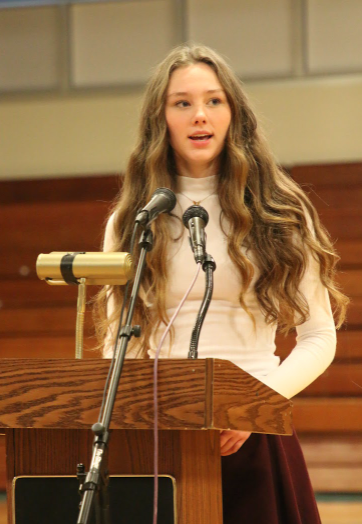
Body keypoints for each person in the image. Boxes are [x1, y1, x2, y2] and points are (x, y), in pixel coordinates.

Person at [95, 44, 348, 524]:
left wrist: (252, 409)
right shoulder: (131, 220)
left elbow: (319, 337)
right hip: (158, 438)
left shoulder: (281, 211)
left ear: (234, 113)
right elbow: (116, 342)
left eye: (213, 101)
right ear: (161, 118)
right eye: (182, 103)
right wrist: (144, 416)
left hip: (254, 434)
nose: (199, 116)